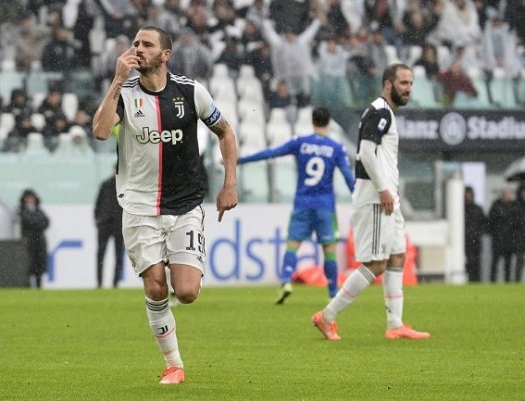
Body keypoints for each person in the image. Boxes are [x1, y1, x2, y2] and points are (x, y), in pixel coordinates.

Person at [92, 26, 238, 385]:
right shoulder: (125, 93)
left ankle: (174, 265)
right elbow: (99, 131)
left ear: (165, 55)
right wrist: (115, 80)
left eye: (146, 45)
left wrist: (229, 183)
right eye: (135, 44)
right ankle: (174, 364)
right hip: (140, 206)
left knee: (186, 292)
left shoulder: (190, 92)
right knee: (156, 287)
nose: (137, 49)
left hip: (185, 205)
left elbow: (226, 133)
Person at [312, 64, 430, 341]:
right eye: (403, 83)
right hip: (377, 197)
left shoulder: (385, 113)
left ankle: (395, 324)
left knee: (398, 254)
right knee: (376, 264)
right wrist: (383, 189)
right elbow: (365, 151)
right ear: (388, 84)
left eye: (411, 83)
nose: (408, 88)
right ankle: (326, 317)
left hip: (388, 196)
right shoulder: (379, 111)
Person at [237, 107, 354, 304]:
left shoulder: (300, 142)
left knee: (293, 245)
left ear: (313, 121)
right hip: (325, 206)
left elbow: (271, 153)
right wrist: (360, 198)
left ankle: (286, 281)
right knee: (329, 251)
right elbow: (349, 179)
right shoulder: (336, 148)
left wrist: (241, 160)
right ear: (328, 122)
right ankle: (333, 293)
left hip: (302, 203)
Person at [94, 167, 124, 289]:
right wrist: (97, 218)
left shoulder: (125, 185)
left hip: (119, 223)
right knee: (101, 253)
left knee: (118, 255)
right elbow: (98, 203)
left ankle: (115, 283)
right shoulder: (106, 184)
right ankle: (100, 283)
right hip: (105, 222)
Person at [18, 189, 50, 289]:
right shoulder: (22, 211)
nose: (30, 200)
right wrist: (37, 223)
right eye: (28, 198)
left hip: (39, 242)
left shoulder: (40, 211)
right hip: (28, 242)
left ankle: (39, 286)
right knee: (28, 265)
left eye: (32, 198)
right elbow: (28, 221)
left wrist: (35, 223)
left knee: (39, 266)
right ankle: (27, 287)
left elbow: (46, 222)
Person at [488, 189, 518, 282]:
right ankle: (492, 282)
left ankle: (507, 282)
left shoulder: (514, 206)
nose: (506, 196)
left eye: (507, 194)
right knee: (495, 262)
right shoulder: (496, 206)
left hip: (509, 240)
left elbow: (516, 222)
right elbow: (490, 221)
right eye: (505, 194)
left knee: (508, 264)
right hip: (498, 239)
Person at [464, 186, 487, 282]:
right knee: (469, 261)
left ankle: (477, 280)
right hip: (466, 240)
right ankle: (470, 279)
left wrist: (479, 233)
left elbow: (484, 223)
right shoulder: (461, 209)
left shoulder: (477, 209)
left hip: (476, 240)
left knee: (477, 262)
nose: (468, 197)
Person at [514, 185, 525, 283]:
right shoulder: (517, 206)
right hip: (520, 238)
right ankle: (517, 281)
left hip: (520, 237)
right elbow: (514, 223)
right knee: (519, 262)